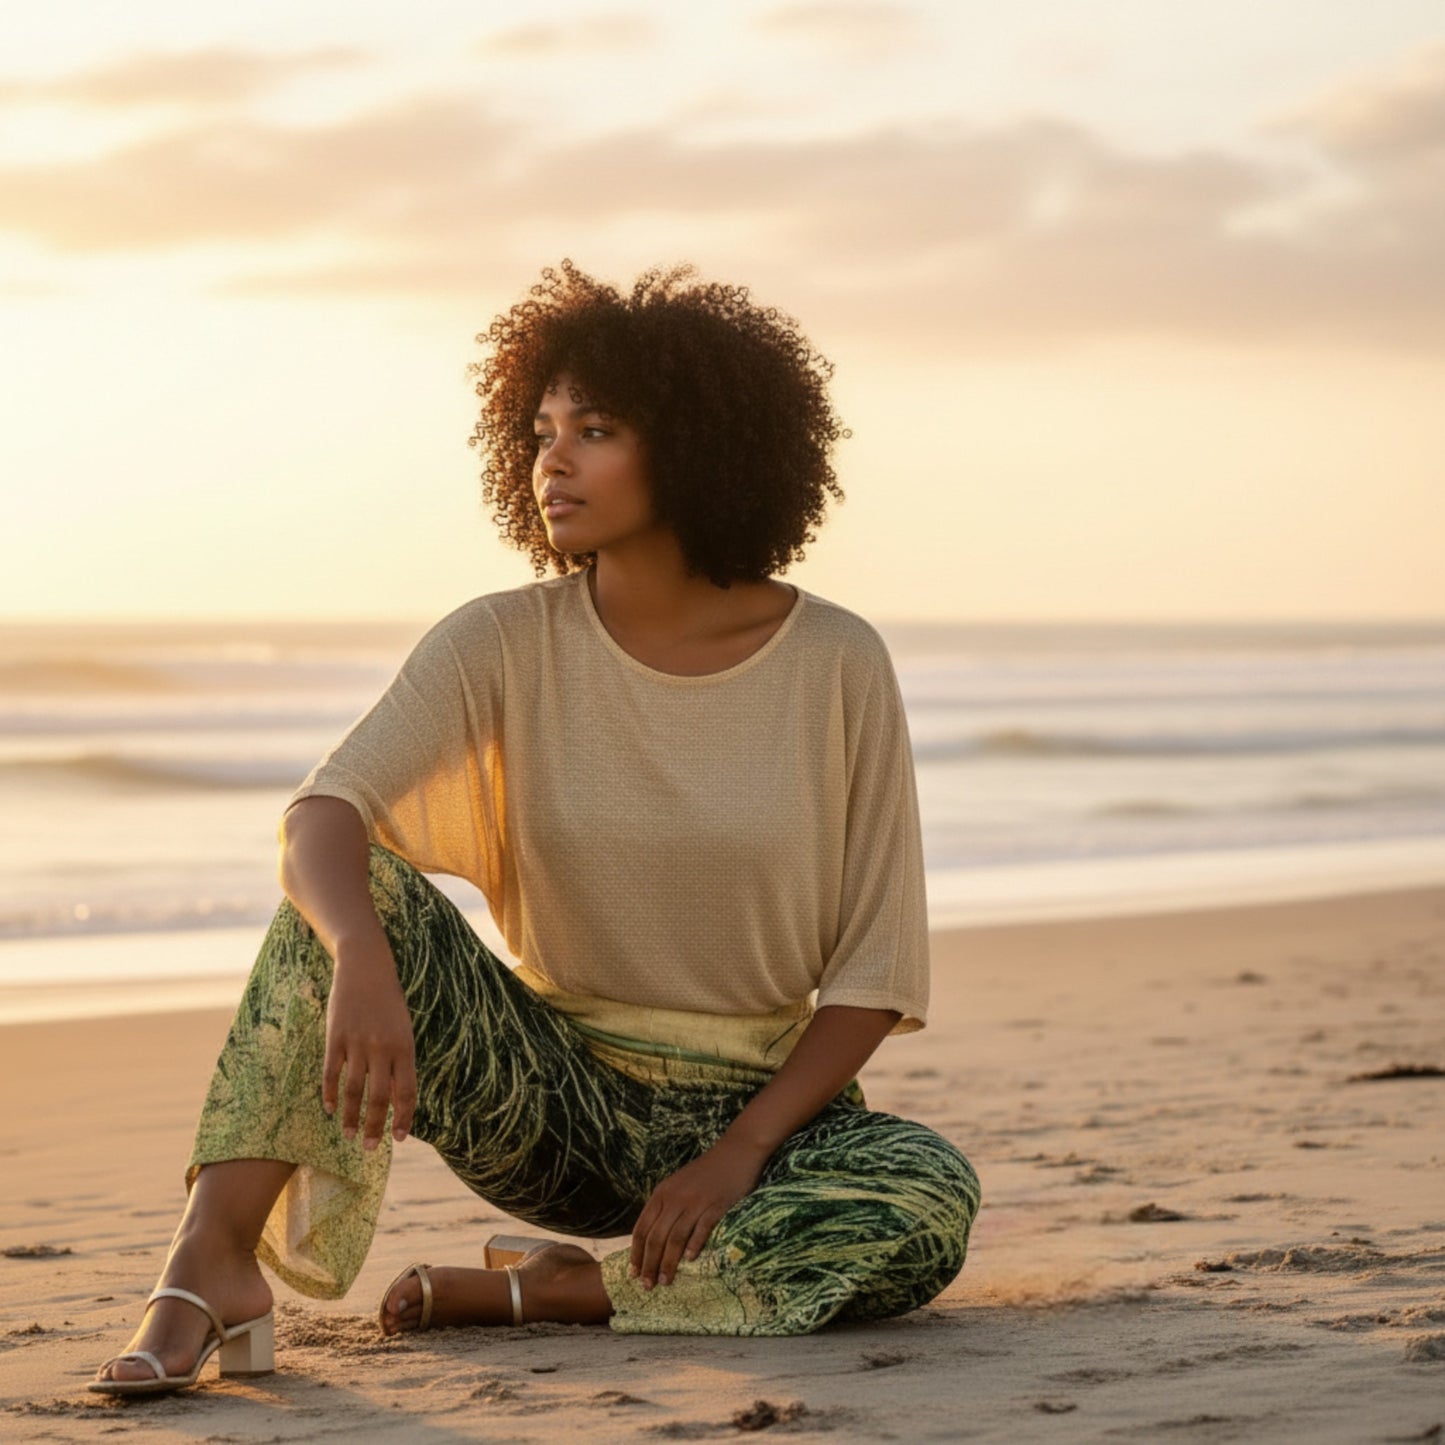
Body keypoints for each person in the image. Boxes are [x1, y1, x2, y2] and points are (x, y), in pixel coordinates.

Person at [90, 261, 981, 1395]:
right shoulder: (500, 642)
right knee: (347, 897)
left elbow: (872, 967)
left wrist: (737, 1153)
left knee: (924, 1193)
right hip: (553, 1096)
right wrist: (363, 951)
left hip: (762, 1119)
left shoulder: (837, 662)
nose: (551, 459)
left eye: (596, 428)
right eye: (541, 428)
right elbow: (324, 809)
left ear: (701, 444)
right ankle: (211, 1260)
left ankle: (562, 1289)